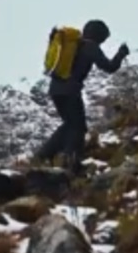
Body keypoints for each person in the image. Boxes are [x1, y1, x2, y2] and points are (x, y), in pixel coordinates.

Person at [35, 19, 129, 175]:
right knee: (78, 127)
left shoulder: (75, 44)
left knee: (70, 124)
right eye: (104, 38)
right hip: (70, 90)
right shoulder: (91, 47)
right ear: (99, 36)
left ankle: (44, 154)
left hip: (55, 89)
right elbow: (109, 67)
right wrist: (121, 53)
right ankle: (71, 161)